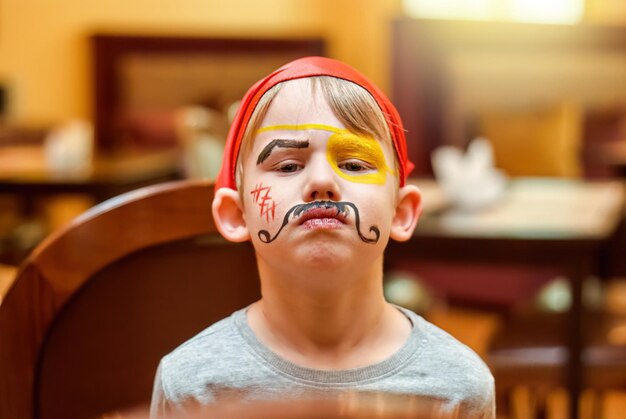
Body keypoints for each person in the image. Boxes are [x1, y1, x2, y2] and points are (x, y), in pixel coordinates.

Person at [150, 57, 495, 418]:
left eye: (353, 164)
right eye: (287, 165)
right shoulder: (192, 384)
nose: (321, 182)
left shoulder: (458, 387)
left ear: (402, 212)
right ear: (236, 215)